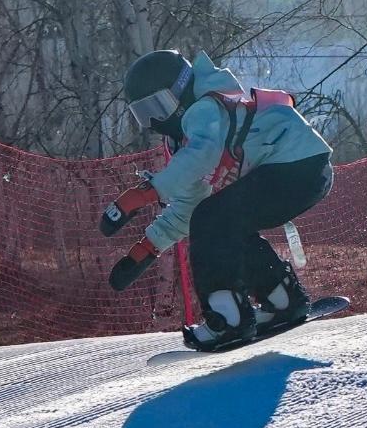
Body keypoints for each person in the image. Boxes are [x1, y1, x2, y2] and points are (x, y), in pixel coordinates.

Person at [100, 50, 333, 350]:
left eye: (160, 106)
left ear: (180, 90)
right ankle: (281, 298)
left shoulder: (204, 108)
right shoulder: (184, 140)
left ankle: (229, 318)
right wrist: (147, 247)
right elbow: (190, 206)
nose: (156, 121)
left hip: (295, 165)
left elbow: (203, 154)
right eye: (144, 113)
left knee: (213, 219)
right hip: (299, 170)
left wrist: (146, 193)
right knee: (222, 223)